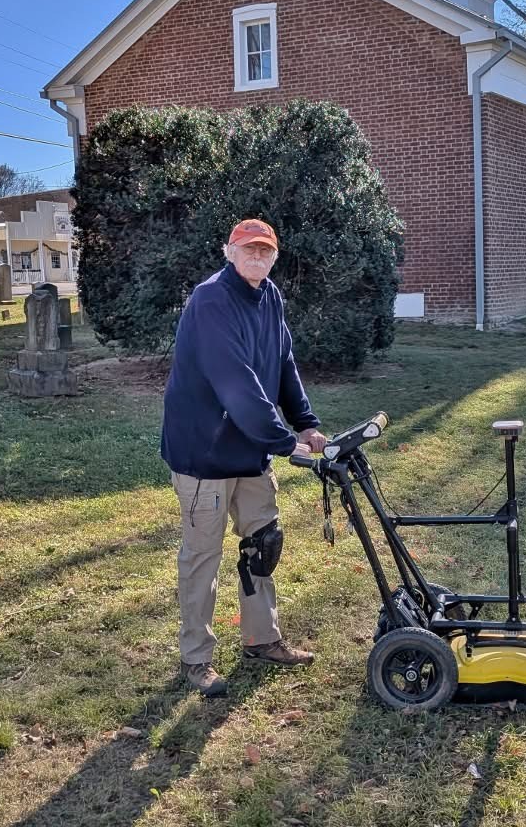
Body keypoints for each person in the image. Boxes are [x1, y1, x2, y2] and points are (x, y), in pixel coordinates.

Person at [161, 218, 327, 697]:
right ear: (228, 251)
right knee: (202, 559)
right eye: (248, 249)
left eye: (265, 251)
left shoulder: (270, 295)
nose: (257, 257)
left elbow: (282, 364)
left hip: (248, 449)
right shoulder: (211, 299)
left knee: (263, 545)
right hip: (203, 454)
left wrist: (306, 423)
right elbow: (236, 382)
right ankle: (197, 661)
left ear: (274, 256)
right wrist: (281, 441)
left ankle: (262, 639)